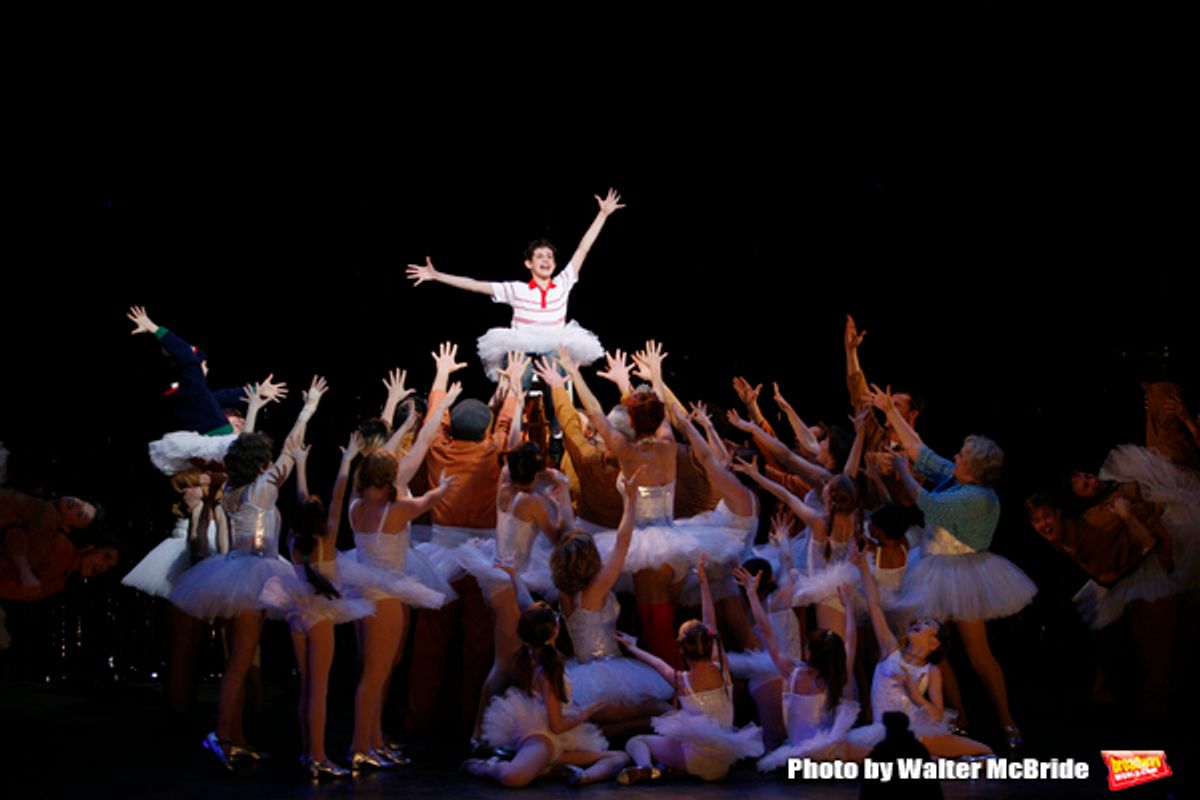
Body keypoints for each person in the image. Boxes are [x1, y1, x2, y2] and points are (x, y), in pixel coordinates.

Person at [169, 376, 326, 769]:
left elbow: (247, 448)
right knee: (240, 661)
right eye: (265, 458)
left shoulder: (235, 488)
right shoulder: (261, 489)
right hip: (252, 572)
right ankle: (223, 735)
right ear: (260, 464)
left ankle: (233, 735)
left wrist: (254, 409)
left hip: (236, 570)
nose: (272, 463)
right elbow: (291, 449)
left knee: (238, 661)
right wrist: (309, 408)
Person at [872, 385, 1034, 748]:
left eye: (961, 454)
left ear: (974, 467)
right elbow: (918, 449)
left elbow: (926, 503)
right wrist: (889, 412)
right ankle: (954, 715)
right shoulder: (955, 475)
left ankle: (1007, 720)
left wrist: (900, 468)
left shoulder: (978, 497)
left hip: (963, 572)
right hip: (931, 564)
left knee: (978, 653)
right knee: (930, 645)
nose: (955, 455)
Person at [406, 189, 624, 380]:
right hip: (523, 345)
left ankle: (557, 422)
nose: (546, 261)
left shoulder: (563, 282)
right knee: (522, 374)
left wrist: (603, 214)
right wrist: (437, 275)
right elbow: (474, 284)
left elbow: (582, 249)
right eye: (540, 257)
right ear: (528, 263)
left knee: (555, 370)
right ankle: (515, 418)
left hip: (555, 344)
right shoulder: (517, 289)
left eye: (550, 257)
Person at [259, 433, 375, 780]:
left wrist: (303, 465)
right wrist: (348, 460)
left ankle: (308, 753)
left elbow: (300, 500)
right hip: (319, 617)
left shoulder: (296, 538)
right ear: (320, 516)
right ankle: (319, 756)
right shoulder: (325, 536)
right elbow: (339, 495)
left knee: (307, 687)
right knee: (318, 690)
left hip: (296, 616)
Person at [615, 554, 764, 783]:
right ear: (709, 643)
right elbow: (710, 623)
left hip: (693, 759)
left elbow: (656, 662)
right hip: (722, 765)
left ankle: (645, 766)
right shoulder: (721, 668)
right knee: (682, 742)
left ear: (682, 650)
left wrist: (632, 646)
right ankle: (666, 768)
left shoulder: (681, 679)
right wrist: (703, 582)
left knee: (636, 742)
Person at [550, 469, 675, 728]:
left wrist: (563, 495)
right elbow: (622, 543)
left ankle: (600, 732)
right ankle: (605, 734)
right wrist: (630, 501)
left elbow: (568, 536)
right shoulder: (596, 590)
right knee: (666, 710)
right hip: (605, 674)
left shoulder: (565, 591)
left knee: (657, 713)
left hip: (583, 676)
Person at [846, 545, 992, 758]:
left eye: (927, 624)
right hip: (880, 733)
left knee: (986, 753)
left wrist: (915, 694)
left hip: (916, 732)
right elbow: (874, 605)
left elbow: (937, 716)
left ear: (934, 643)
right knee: (845, 752)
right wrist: (863, 568)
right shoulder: (890, 650)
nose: (919, 623)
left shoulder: (931, 671)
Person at [463, 602, 627, 787]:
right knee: (514, 778)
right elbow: (556, 726)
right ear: (555, 631)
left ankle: (582, 776)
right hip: (544, 737)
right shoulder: (548, 671)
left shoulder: (534, 656)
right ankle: (486, 767)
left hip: (557, 741)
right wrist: (586, 713)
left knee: (619, 757)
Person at [733, 565, 863, 770]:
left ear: (810, 652)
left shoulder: (792, 672)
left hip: (798, 759)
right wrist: (848, 607)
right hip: (830, 758)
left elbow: (767, 632)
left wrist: (751, 594)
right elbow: (851, 642)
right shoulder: (838, 676)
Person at [0, 489, 110, 601]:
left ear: (68, 527)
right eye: (82, 502)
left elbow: (15, 536)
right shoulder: (44, 509)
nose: (78, 505)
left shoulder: (48, 521)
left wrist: (24, 570)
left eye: (80, 514)